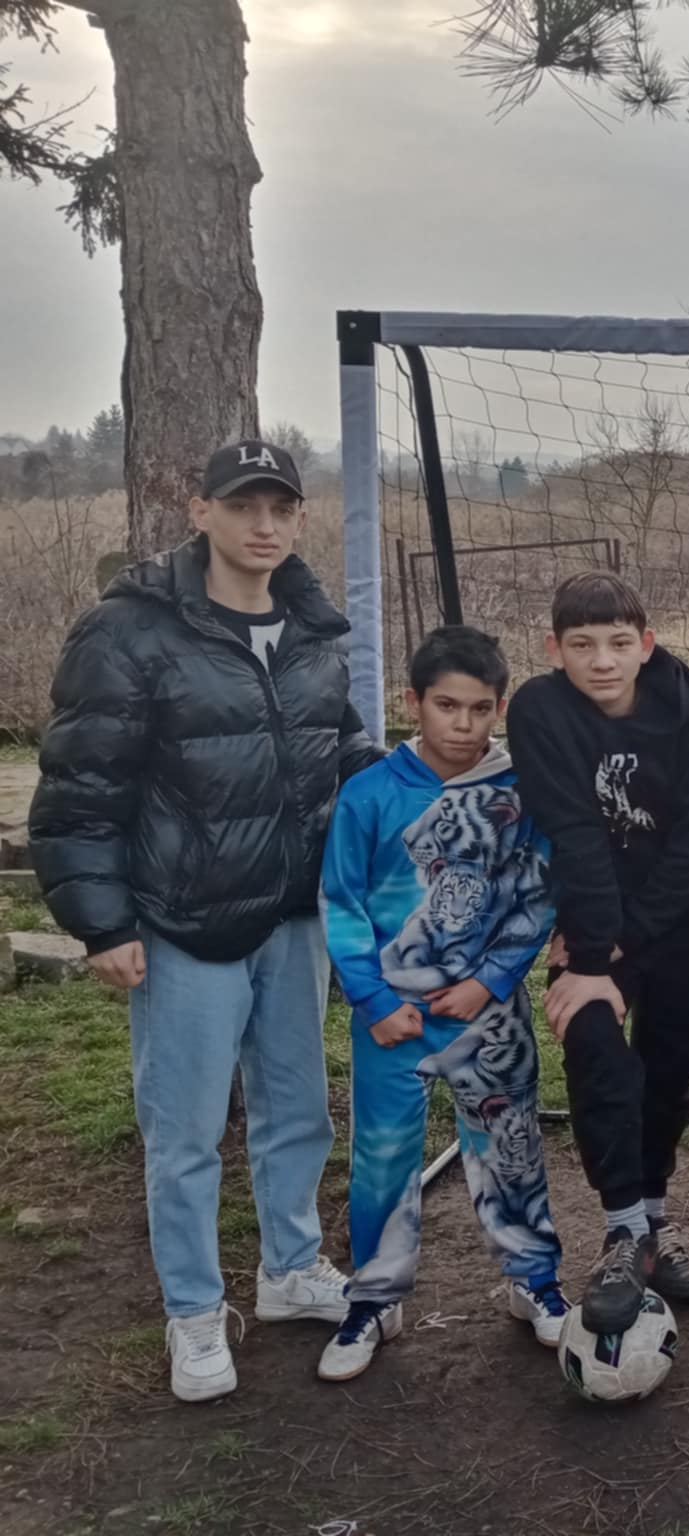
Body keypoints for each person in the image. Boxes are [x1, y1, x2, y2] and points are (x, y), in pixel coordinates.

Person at [30, 438, 381, 1402]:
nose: (264, 525)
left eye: (281, 508)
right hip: (184, 922)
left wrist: (420, 789)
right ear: (200, 511)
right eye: (242, 506)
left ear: (298, 518)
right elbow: (80, 789)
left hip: (294, 916)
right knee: (184, 1130)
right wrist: (103, 924)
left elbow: (339, 746)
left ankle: (290, 1270)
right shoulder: (129, 632)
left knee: (298, 1110)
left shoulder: (315, 629)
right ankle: (192, 1310)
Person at [318, 626, 561, 1381]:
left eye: (480, 709)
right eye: (446, 706)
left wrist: (492, 980)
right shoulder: (369, 795)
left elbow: (538, 895)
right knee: (382, 1156)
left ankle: (534, 1281)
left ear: (500, 708)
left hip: (488, 1011)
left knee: (510, 1145)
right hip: (392, 1020)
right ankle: (374, 1299)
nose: (463, 724)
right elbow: (341, 904)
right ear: (413, 702)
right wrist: (372, 1000)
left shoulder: (521, 792)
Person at [505, 572, 689, 1334]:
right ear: (554, 649)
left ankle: (655, 1225)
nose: (602, 660)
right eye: (582, 645)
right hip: (589, 919)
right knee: (597, 1051)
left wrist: (628, 938)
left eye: (619, 643)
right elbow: (575, 832)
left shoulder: (680, 701)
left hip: (669, 916)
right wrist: (594, 959)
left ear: (646, 645)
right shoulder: (539, 711)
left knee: (671, 1063)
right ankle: (624, 1231)